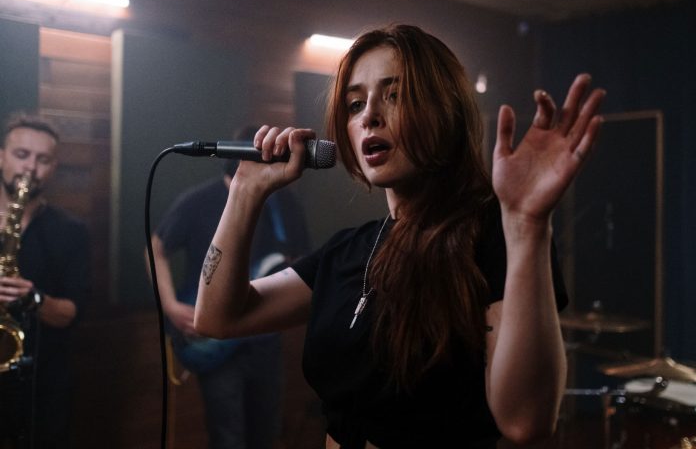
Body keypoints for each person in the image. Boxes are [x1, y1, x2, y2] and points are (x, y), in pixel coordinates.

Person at [194, 24, 605, 448]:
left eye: (395, 95)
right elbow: (217, 317)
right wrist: (245, 191)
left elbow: (525, 420)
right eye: (355, 104)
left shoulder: (494, 236)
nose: (369, 115)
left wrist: (528, 226)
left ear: (445, 114)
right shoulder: (348, 250)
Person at [149, 125, 310, 449]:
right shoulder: (197, 200)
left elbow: (300, 258)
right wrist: (169, 305)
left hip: (264, 338)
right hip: (216, 341)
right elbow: (155, 248)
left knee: (265, 433)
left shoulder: (285, 203)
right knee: (227, 437)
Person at [0, 114, 90, 449]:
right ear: (1, 157)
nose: (30, 168)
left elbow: (73, 313)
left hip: (43, 383)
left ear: (53, 168)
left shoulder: (71, 231)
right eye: (21, 155)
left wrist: (33, 299)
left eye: (43, 159)